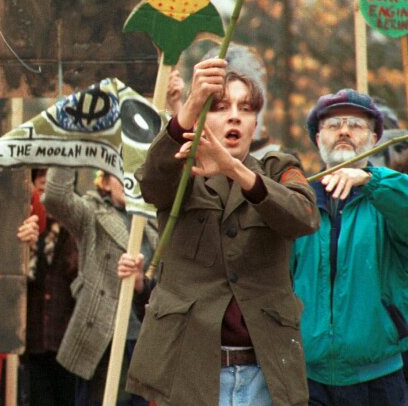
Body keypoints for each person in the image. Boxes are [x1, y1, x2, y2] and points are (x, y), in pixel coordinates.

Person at [126, 58, 319, 406]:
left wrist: (234, 170)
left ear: (255, 123)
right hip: (188, 372)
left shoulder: (279, 168)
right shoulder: (181, 168)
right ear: (202, 118)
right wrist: (187, 108)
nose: (234, 116)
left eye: (245, 109)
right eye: (220, 107)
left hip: (266, 373)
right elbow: (151, 184)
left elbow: (304, 216)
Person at [292, 89, 408, 406]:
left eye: (356, 125)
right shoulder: (296, 203)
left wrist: (370, 180)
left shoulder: (390, 198)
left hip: (379, 379)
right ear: (318, 138)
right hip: (308, 378)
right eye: (333, 124)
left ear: (373, 139)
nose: (344, 131)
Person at [41, 166, 156, 406]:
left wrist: (140, 283)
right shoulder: (92, 214)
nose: (130, 181)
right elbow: (55, 197)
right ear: (104, 183)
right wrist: (68, 146)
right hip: (104, 343)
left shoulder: (158, 220)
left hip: (147, 343)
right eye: (121, 174)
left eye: (136, 174)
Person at [19, 168, 79, 406]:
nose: (44, 179)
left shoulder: (76, 229)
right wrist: (25, 246)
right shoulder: (25, 230)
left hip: (67, 342)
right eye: (39, 179)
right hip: (33, 342)